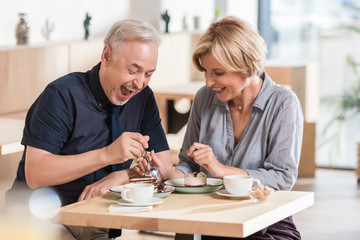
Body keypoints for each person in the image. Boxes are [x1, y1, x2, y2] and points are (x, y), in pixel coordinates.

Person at [6, 19, 173, 240]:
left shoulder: (142, 100)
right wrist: (107, 155)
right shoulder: (62, 96)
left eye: (148, 74)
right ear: (106, 55)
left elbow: (164, 170)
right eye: (134, 70)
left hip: (97, 219)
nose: (140, 82)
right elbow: (35, 174)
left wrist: (125, 174)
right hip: (43, 218)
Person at [141, 16, 304, 239]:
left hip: (265, 223)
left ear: (246, 66)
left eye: (217, 73)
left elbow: (282, 178)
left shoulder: (283, 103)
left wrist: (220, 171)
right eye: (206, 72)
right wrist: (169, 175)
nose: (208, 82)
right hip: (211, 219)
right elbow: (189, 164)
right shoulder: (204, 98)